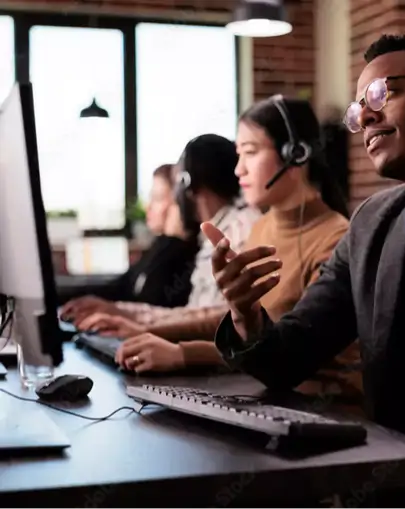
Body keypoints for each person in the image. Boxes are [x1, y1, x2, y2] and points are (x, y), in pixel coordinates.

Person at [204, 34, 405, 508]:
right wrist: (246, 313)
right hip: (402, 490)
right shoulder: (372, 226)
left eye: (380, 94)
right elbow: (289, 358)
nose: (363, 117)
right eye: (357, 108)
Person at [83, 97, 363, 408]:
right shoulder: (264, 227)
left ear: (295, 154)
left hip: (324, 405)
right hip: (270, 394)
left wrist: (182, 354)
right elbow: (237, 322)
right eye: (238, 154)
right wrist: (149, 330)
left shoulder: (335, 239)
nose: (238, 168)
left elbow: (287, 350)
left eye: (251, 153)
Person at [70, 133, 261, 332]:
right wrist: (123, 313)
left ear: (188, 184)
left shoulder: (238, 229)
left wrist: (141, 328)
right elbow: (196, 314)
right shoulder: (215, 230)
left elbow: (221, 321)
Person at [60, 164, 199, 320]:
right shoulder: (158, 247)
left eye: (157, 199)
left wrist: (173, 236)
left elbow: (156, 303)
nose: (148, 207)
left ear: (179, 203)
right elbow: (121, 286)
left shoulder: (187, 256)